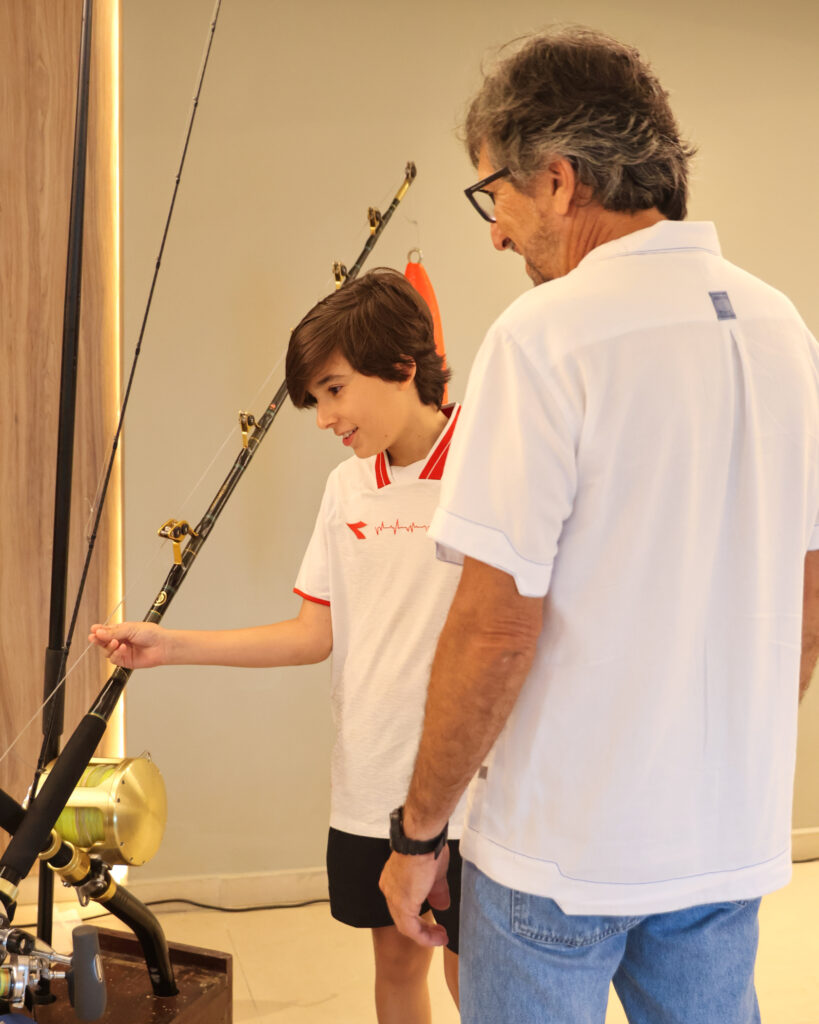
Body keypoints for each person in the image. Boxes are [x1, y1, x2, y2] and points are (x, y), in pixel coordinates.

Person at [379, 27, 819, 1024]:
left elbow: (496, 628)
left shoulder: (545, 338)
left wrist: (418, 834)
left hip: (557, 855)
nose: (495, 234)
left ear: (559, 181)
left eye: (493, 194)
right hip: (725, 842)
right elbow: (807, 589)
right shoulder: (784, 330)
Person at [90, 268, 466, 1024]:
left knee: (482, 978)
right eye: (314, 400)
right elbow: (311, 633)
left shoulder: (490, 461)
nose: (324, 417)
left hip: (476, 788)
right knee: (397, 965)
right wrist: (170, 646)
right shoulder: (346, 488)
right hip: (372, 782)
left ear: (402, 364)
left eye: (334, 390)